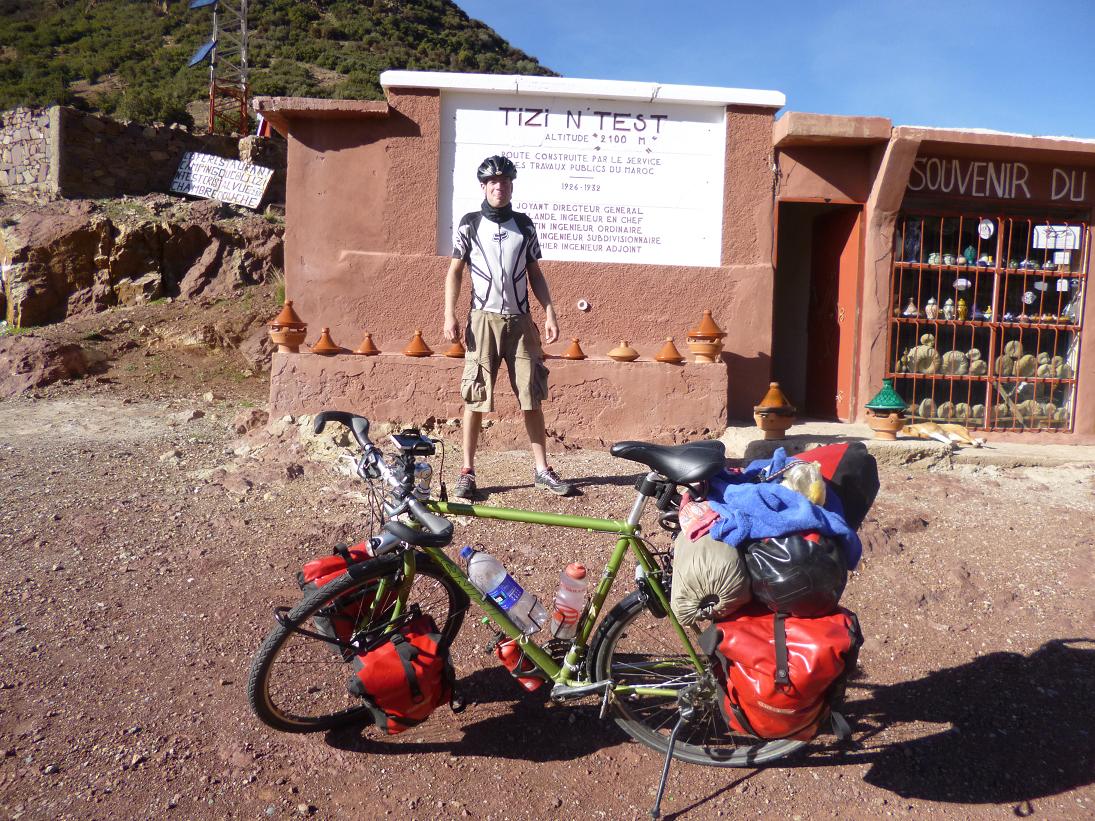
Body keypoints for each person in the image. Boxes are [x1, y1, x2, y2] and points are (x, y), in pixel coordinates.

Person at [443, 155, 573, 500]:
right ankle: (467, 471)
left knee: (531, 395)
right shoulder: (470, 224)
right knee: (476, 394)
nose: (498, 187)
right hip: (482, 318)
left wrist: (550, 312)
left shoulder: (524, 225)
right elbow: (455, 271)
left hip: (520, 320)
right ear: (483, 186)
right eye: (492, 182)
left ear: (511, 186)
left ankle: (542, 469)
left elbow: (535, 273)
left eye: (504, 181)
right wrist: (449, 314)